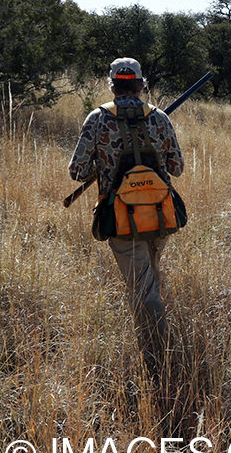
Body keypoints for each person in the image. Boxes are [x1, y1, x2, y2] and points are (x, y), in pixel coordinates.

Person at [69, 58, 184, 389]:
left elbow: (77, 171)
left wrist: (104, 163)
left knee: (143, 288)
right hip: (161, 215)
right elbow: (176, 168)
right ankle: (151, 339)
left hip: (121, 218)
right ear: (140, 85)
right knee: (149, 281)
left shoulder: (97, 118)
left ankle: (159, 359)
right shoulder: (159, 117)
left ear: (112, 86)